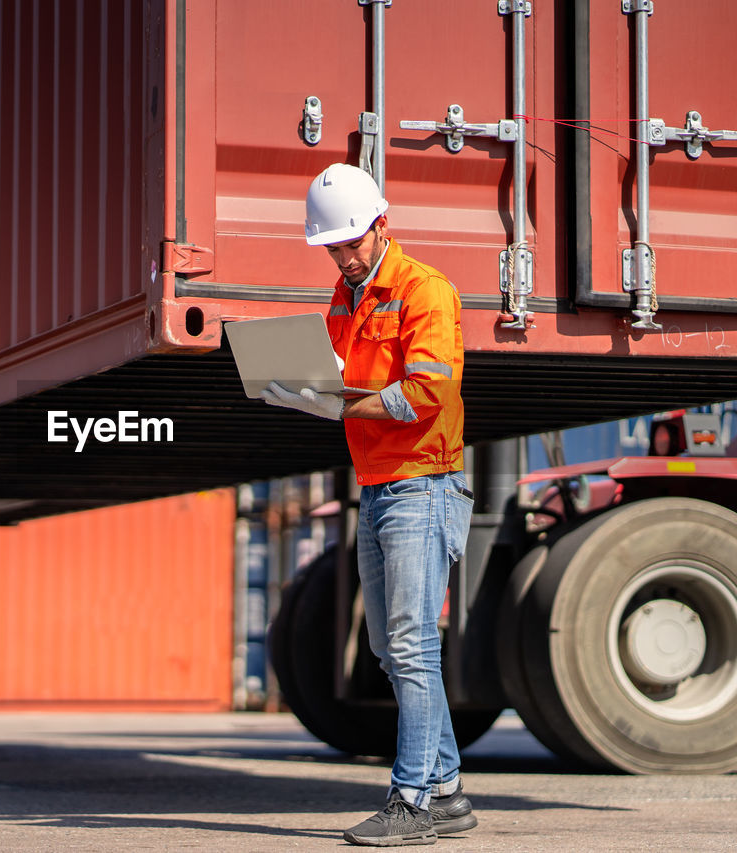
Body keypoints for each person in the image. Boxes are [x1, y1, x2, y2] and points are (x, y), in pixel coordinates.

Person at [262, 163, 475, 846]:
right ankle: (446, 791)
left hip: (424, 482)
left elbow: (427, 393)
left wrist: (338, 402)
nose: (344, 256)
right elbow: (337, 378)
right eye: (333, 247)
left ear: (382, 225)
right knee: (390, 646)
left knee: (410, 646)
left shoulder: (425, 291)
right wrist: (297, 387)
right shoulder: (343, 296)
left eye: (351, 242)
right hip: (379, 484)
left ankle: (410, 801)